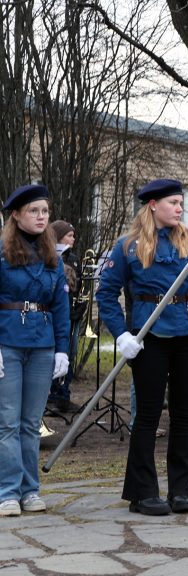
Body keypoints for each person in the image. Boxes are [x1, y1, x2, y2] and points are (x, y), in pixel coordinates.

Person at [95, 178, 188, 516]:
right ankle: (142, 492)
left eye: (181, 203)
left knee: (184, 413)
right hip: (150, 336)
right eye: (172, 203)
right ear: (153, 205)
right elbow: (106, 293)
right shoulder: (127, 246)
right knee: (148, 415)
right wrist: (121, 334)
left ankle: (180, 490)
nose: (180, 208)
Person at [0, 184, 70, 517]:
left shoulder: (51, 256)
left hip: (42, 346)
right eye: (34, 211)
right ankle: (8, 492)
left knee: (30, 423)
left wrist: (62, 350)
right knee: (8, 423)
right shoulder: (2, 252)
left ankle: (31, 490)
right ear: (16, 215)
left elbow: (61, 306)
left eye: (44, 211)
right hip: (7, 344)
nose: (41, 217)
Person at [47, 220, 83, 413]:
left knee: (70, 354)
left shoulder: (74, 258)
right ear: (59, 236)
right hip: (57, 314)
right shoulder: (52, 256)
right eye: (69, 235)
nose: (73, 238)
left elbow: (77, 286)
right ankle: (52, 396)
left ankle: (64, 395)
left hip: (73, 313)